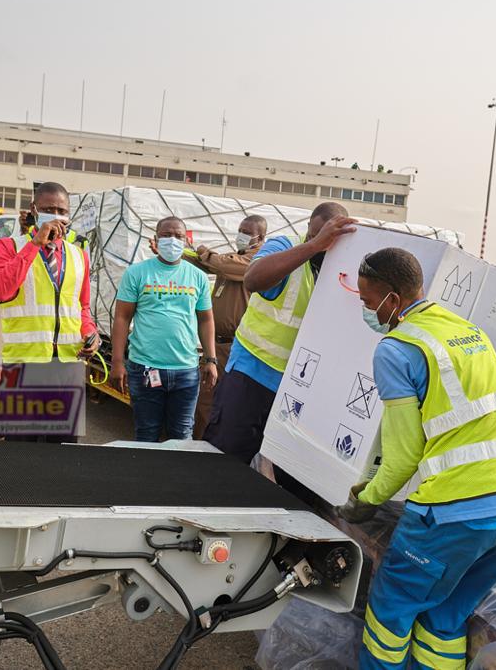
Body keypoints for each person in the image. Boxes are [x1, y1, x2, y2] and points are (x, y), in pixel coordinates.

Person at [339, 248, 496, 670]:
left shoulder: (396, 349)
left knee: (391, 608)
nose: (365, 308)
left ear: (391, 300)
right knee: (445, 618)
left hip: (458, 510)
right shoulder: (468, 330)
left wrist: (367, 498)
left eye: (366, 300)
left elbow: (403, 455)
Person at [203, 202, 355, 500]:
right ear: (312, 227)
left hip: (303, 388)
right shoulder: (285, 245)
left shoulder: (344, 266)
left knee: (293, 475)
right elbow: (253, 278)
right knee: (226, 458)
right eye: (317, 234)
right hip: (253, 372)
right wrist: (313, 246)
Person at [0, 182, 100, 442]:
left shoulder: (78, 255)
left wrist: (90, 332)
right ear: (34, 210)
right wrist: (35, 244)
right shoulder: (9, 246)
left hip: (66, 366)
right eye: (49, 209)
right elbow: (1, 290)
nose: (56, 216)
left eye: (62, 210)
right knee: (20, 448)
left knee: (63, 447)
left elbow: (81, 306)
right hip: (24, 365)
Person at [110, 216, 217, 442]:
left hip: (186, 371)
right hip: (146, 369)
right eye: (166, 235)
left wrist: (211, 359)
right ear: (156, 239)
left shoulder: (197, 276)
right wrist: (117, 362)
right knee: (146, 433)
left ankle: (178, 478)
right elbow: (122, 317)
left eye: (178, 236)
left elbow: (206, 319)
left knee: (181, 435)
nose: (172, 240)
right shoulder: (137, 273)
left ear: (186, 241)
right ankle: (145, 477)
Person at [182, 214, 268, 438]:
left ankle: (219, 450)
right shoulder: (233, 260)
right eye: (240, 229)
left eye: (247, 232)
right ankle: (200, 445)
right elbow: (210, 265)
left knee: (230, 403)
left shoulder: (256, 261)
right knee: (206, 400)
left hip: (237, 346)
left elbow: (221, 263)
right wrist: (179, 253)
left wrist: (203, 251)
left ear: (261, 237)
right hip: (216, 345)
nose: (241, 235)